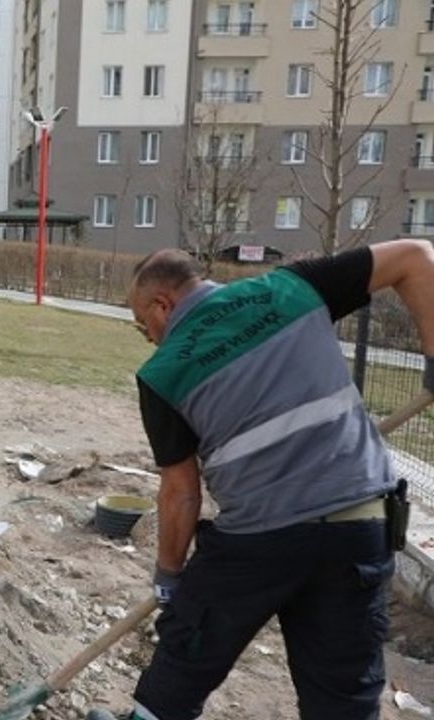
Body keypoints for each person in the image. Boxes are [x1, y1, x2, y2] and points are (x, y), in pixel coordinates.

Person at [89, 241, 434, 720]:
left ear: (162, 305)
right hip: (357, 528)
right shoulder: (293, 288)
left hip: (257, 542)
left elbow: (181, 493)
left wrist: (169, 577)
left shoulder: (162, 374)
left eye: (141, 323)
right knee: (343, 695)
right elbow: (416, 256)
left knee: (185, 657)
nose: (148, 337)